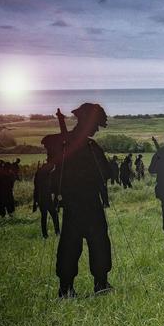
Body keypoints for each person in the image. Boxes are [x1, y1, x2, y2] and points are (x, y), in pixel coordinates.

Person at [41, 103, 112, 297]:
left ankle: (77, 286)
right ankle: (86, 285)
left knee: (81, 243)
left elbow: (103, 173)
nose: (96, 129)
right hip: (82, 201)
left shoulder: (75, 144)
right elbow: (104, 173)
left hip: (79, 201)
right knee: (86, 243)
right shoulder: (73, 145)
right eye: (95, 124)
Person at [32, 161, 60, 238]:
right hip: (46, 198)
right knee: (53, 215)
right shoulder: (47, 175)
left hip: (42, 199)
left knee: (45, 216)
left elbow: (36, 189)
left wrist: (35, 202)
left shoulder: (40, 174)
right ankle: (56, 232)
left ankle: (46, 234)